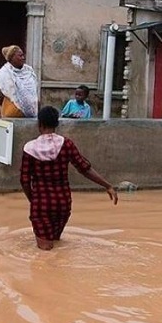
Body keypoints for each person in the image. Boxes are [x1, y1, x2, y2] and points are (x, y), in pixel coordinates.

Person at [20, 106, 118, 250]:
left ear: (39, 124)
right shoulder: (67, 144)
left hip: (41, 203)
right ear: (57, 124)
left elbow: (24, 180)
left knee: (45, 252)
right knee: (56, 243)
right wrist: (107, 185)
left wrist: (33, 200)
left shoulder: (29, 149)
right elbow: (85, 168)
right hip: (63, 204)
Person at [0, 45, 38, 118]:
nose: (23, 58)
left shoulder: (29, 71)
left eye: (23, 55)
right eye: (20, 56)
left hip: (31, 115)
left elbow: (34, 93)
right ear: (11, 58)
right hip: (11, 116)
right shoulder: (4, 73)